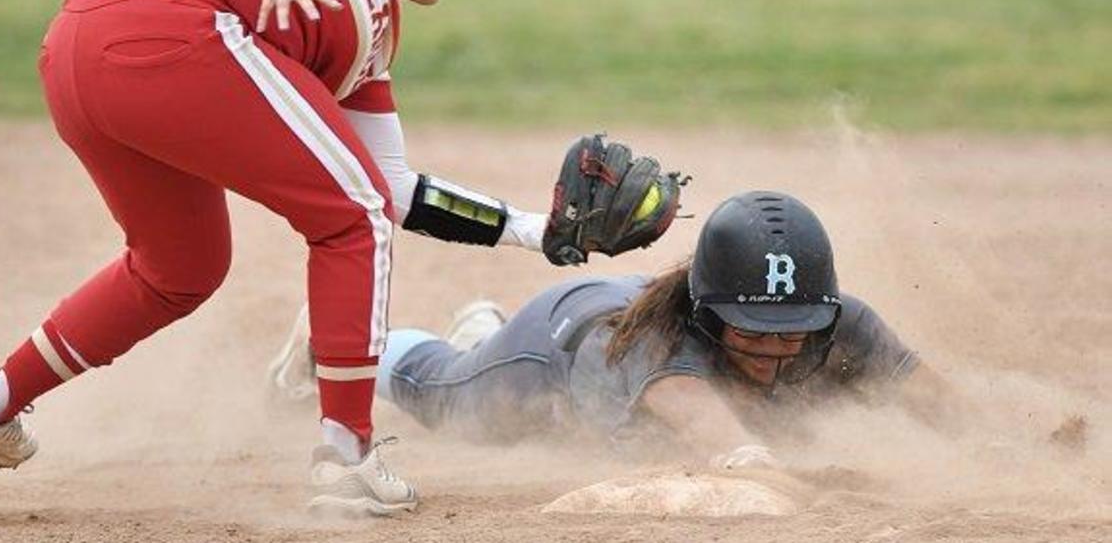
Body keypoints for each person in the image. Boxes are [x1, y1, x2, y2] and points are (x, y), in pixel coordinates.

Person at [0, 0, 564, 516]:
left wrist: (539, 230)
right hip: (170, 28)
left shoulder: (371, 39)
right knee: (351, 217)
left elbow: (394, 190)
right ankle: (347, 457)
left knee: (182, 267)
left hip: (82, 53)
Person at [270, 190, 960, 467]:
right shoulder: (657, 345)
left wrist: (1003, 438)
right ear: (710, 311)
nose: (778, 346)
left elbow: (930, 395)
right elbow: (733, 449)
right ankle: (335, 345)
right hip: (556, 350)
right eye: (753, 328)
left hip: (594, 333)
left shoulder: (842, 321)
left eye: (794, 329)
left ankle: (482, 324)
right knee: (447, 396)